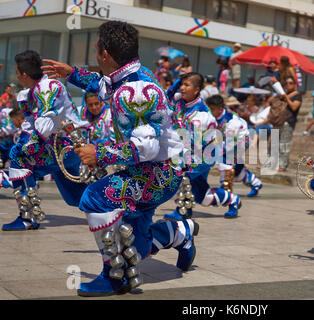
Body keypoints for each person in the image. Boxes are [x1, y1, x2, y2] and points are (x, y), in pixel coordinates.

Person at [42, 21, 199, 297]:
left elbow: (146, 149)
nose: (94, 53)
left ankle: (112, 277)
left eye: (96, 48)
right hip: (156, 169)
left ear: (105, 54)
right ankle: (179, 233)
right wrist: (71, 74)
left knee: (96, 196)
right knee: (135, 251)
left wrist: (98, 154)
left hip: (157, 174)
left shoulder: (133, 92)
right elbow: (103, 86)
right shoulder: (130, 77)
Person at [1, 50, 86, 232]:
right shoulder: (29, 93)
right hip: (58, 148)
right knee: (75, 197)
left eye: (17, 72)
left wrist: (25, 147)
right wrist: (24, 140)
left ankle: (27, 217)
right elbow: (30, 123)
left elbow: (45, 127)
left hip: (65, 147)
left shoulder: (49, 88)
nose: (16, 76)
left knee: (19, 160)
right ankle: (114, 208)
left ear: (24, 75)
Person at [163, 72, 241, 221]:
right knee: (203, 197)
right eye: (181, 85)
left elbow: (204, 145)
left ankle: (183, 211)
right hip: (188, 153)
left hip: (203, 156)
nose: (182, 88)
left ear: (197, 89)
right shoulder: (180, 101)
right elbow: (165, 102)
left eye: (187, 85)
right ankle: (232, 200)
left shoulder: (203, 115)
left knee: (181, 175)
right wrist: (172, 89)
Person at [206, 94, 263, 197]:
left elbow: (229, 143)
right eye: (209, 109)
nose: (210, 112)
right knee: (235, 170)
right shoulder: (213, 116)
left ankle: (225, 189)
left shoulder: (232, 121)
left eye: (212, 109)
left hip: (240, 140)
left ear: (220, 109)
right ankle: (255, 183)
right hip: (227, 141)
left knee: (225, 161)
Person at [268, 75, 302, 172]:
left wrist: (286, 97)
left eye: (290, 83)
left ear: (295, 85)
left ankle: (282, 165)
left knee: (284, 144)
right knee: (273, 144)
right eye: (286, 83)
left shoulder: (297, 95)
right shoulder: (281, 95)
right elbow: (269, 101)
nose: (288, 85)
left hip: (288, 122)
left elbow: (294, 107)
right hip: (278, 121)